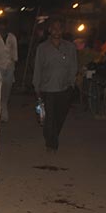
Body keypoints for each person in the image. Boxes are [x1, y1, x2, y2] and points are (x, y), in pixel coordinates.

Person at [32, 19, 78, 152]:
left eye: (59, 29)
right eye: (54, 28)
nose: (57, 31)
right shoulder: (42, 48)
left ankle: (53, 136)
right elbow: (38, 68)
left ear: (63, 31)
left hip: (64, 87)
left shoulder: (69, 47)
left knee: (60, 116)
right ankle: (51, 143)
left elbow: (73, 66)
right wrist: (37, 87)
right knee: (49, 117)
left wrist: (71, 83)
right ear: (50, 30)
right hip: (47, 88)